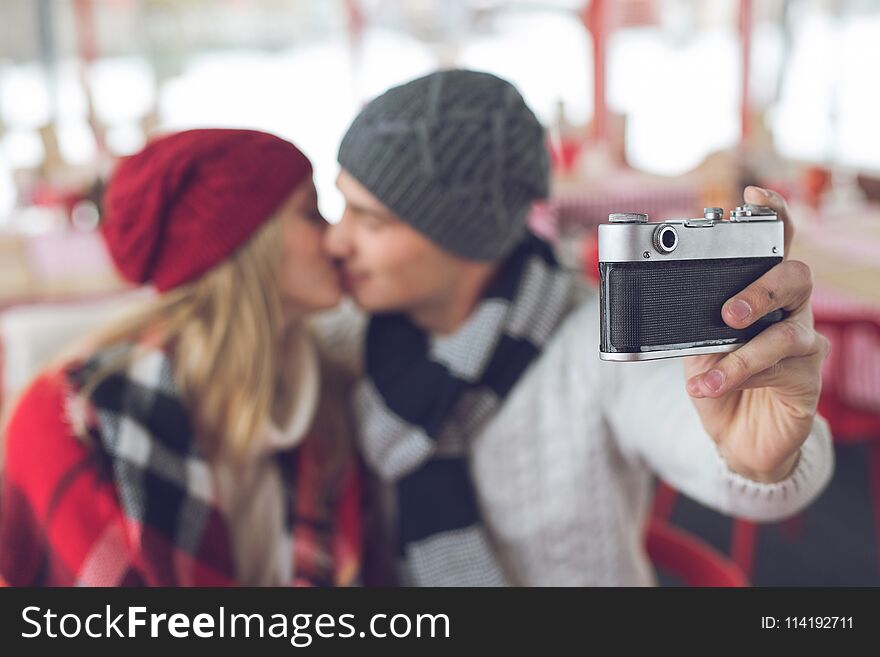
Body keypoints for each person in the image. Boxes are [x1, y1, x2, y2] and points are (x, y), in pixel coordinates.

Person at [318, 69, 834, 586]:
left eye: (370, 221)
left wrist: (763, 460)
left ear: (462, 237)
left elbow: (722, 446)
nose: (336, 242)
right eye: (339, 206)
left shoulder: (599, 341)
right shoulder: (355, 339)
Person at [0, 129, 360, 587]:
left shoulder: (327, 393)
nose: (339, 241)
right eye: (313, 214)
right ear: (245, 245)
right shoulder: (66, 417)